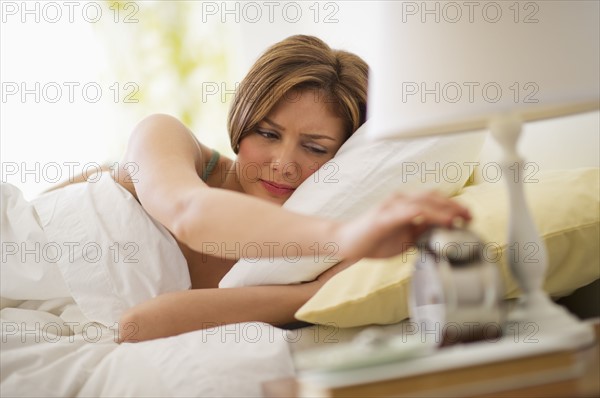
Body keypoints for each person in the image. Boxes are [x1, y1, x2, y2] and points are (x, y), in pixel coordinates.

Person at [14, 35, 471, 342]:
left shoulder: (282, 267)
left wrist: (308, 294)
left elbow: (138, 326)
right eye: (268, 134)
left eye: (315, 148)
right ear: (240, 120)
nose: (283, 163)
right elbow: (191, 213)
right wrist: (348, 237)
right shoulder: (166, 139)